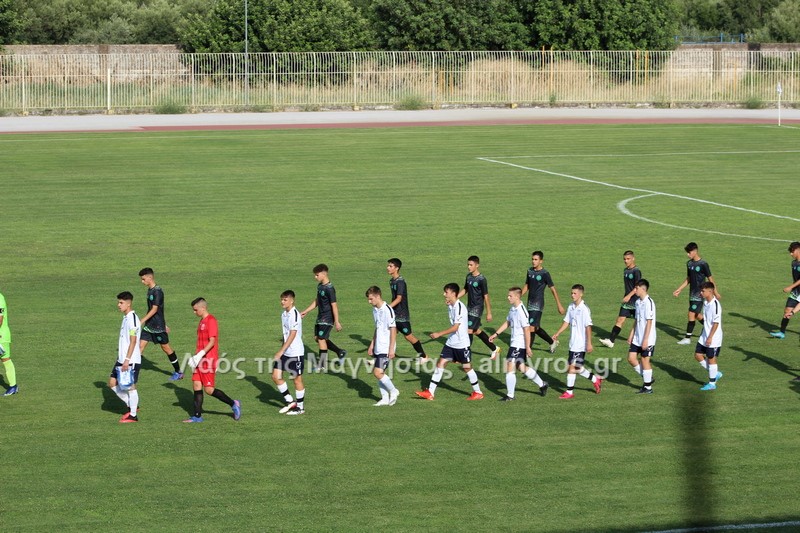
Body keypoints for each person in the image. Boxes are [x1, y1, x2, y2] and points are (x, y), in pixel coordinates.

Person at [415, 283, 484, 401]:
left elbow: (455, 327)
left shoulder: (459, 308)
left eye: (446, 292)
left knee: (467, 367)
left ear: (453, 293)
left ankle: (478, 392)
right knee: (440, 364)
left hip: (461, 344)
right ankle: (430, 392)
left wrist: (439, 334)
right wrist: (449, 303)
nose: (444, 294)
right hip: (451, 342)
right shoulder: (451, 305)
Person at [183, 298, 241, 423]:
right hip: (199, 359)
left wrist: (200, 355)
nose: (194, 312)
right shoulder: (201, 321)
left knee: (209, 390)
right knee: (196, 385)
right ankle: (197, 416)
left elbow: (212, 341)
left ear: (203, 308)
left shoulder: (211, 320)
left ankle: (233, 403)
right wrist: (196, 357)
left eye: (195, 310)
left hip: (208, 360)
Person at [489, 287, 549, 401]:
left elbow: (527, 330)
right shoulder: (513, 308)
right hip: (514, 343)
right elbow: (508, 322)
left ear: (517, 297)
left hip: (519, 344)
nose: (508, 297)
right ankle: (542, 384)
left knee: (509, 366)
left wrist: (527, 347)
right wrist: (496, 334)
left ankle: (510, 395)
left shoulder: (522, 311)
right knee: (521, 367)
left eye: (510, 296)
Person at [552, 284, 603, 399]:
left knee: (572, 368)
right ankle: (595, 379)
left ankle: (569, 392)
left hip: (580, 344)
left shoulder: (584, 309)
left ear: (581, 294)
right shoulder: (571, 306)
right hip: (572, 343)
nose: (572, 295)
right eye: (571, 293)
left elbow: (588, 327)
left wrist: (589, 343)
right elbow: (566, 322)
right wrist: (558, 333)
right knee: (577, 368)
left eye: (575, 293)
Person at [138, 268, 183, 380]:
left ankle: (178, 372)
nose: (142, 281)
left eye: (143, 279)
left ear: (150, 277)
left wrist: (142, 321)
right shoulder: (150, 290)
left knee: (166, 348)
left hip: (158, 326)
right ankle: (131, 372)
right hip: (149, 326)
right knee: (139, 347)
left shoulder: (157, 292)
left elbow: (155, 309)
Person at [301, 264, 346, 371]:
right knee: (318, 338)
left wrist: (337, 321)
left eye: (317, 275)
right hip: (320, 316)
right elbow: (317, 301)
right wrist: (306, 311)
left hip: (327, 318)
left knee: (321, 339)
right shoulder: (320, 286)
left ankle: (322, 365)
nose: (315, 277)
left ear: (324, 274)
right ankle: (340, 352)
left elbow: (334, 305)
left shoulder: (330, 289)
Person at [673, 243, 720, 345]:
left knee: (691, 313)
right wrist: (679, 289)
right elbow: (688, 279)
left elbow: (710, 279)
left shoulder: (703, 264)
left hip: (700, 294)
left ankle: (687, 338)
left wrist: (715, 292)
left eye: (689, 252)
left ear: (695, 251)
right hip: (692, 293)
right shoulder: (689, 264)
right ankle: (710, 328)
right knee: (697, 315)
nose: (688, 254)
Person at [521, 251, 565, 354]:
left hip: (538, 303)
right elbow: (527, 285)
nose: (533, 261)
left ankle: (528, 351)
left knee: (531, 327)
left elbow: (553, 289)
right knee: (535, 327)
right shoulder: (529, 271)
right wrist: (519, 296)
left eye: (536, 259)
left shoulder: (545, 274)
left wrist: (559, 305)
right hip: (530, 302)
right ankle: (552, 342)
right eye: (532, 259)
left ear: (541, 261)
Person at [458, 256, 501, 359]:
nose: (469, 267)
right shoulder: (469, 277)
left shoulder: (482, 279)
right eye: (468, 265)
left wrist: (489, 312)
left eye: (471, 265)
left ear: (477, 265)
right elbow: (465, 289)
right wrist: (454, 298)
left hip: (477, 308)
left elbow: (486, 296)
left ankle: (466, 354)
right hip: (469, 307)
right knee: (476, 330)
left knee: (469, 330)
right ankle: (494, 348)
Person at [109, 291, 141, 423]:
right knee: (112, 383)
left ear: (128, 304)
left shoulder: (132, 319)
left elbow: (133, 341)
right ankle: (132, 405)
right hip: (122, 359)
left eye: (121, 302)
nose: (118, 305)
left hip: (130, 360)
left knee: (130, 386)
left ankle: (133, 415)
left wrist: (127, 360)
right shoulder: (126, 317)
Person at [386, 258, 428, 360]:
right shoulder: (392, 281)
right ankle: (382, 357)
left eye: (390, 266)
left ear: (397, 268)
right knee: (389, 334)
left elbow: (399, 298)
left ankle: (424, 356)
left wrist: (387, 308)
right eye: (388, 266)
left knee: (409, 336)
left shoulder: (400, 282)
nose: (388, 268)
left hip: (402, 315)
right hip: (394, 314)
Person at [366, 286, 400, 406]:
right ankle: (385, 399)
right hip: (378, 346)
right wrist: (372, 344)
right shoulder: (375, 310)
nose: (369, 302)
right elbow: (378, 328)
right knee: (380, 374)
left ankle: (393, 391)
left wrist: (391, 349)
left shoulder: (388, 310)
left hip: (386, 347)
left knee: (377, 372)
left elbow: (393, 329)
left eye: (371, 299)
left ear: (378, 296)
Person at [600, 250, 642, 349]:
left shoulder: (636, 271)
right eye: (624, 259)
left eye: (628, 259)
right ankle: (611, 341)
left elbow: (637, 287)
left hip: (636, 301)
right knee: (620, 320)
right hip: (627, 302)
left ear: (633, 259)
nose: (626, 261)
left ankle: (639, 340)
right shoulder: (625, 270)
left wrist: (628, 296)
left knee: (639, 321)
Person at [273, 290, 306, 415]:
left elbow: (292, 334)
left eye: (285, 300)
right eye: (281, 299)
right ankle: (290, 402)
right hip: (285, 352)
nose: (282, 302)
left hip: (295, 353)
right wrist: (282, 350)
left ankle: (300, 408)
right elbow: (285, 334)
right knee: (276, 376)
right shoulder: (284, 314)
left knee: (297, 380)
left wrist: (280, 351)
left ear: (292, 301)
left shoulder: (295, 315)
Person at [626, 279, 656, 394]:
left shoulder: (649, 303)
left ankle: (648, 388)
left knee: (644, 360)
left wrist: (646, 340)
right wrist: (631, 334)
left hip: (647, 338)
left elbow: (649, 322)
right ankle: (648, 377)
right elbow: (637, 320)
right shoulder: (638, 302)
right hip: (637, 337)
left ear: (643, 289)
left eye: (636, 288)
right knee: (631, 358)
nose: (635, 290)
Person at [694, 282, 724, 391]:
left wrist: (710, 337)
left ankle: (712, 384)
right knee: (698, 355)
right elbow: (707, 320)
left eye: (703, 291)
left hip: (713, 337)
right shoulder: (706, 302)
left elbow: (716, 323)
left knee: (711, 359)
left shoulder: (715, 305)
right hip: (704, 335)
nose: (701, 293)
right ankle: (715, 373)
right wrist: (698, 316)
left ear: (710, 291)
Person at [770, 241, 800, 339]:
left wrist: (790, 287)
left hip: (795, 289)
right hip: (796, 291)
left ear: (798, 250)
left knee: (792, 311)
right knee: (787, 310)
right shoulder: (794, 263)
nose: (791, 254)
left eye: (792, 251)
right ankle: (782, 332)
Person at [0, 287, 18, 396]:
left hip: (1, 336)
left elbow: (0, 319)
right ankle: (13, 386)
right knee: (5, 359)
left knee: (6, 359)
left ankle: (13, 386)